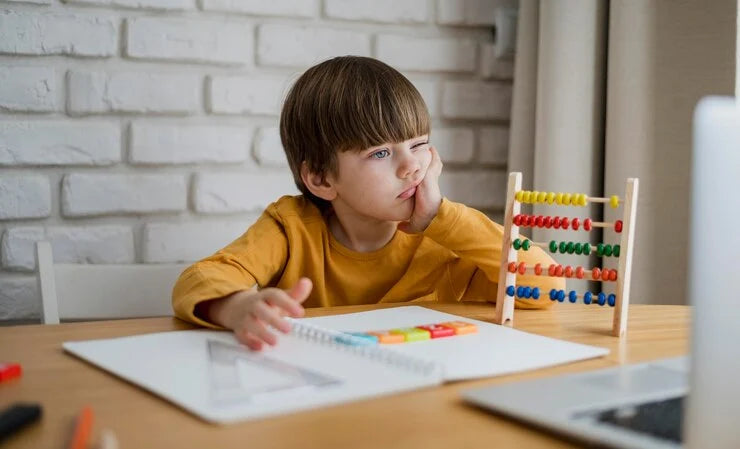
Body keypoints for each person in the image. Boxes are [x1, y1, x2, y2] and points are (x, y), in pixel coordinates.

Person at [172, 56, 563, 350]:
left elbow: (546, 285)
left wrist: (442, 218)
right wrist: (236, 307)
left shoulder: (447, 236)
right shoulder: (290, 228)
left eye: (419, 144)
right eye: (380, 153)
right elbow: (201, 278)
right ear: (322, 179)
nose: (411, 166)